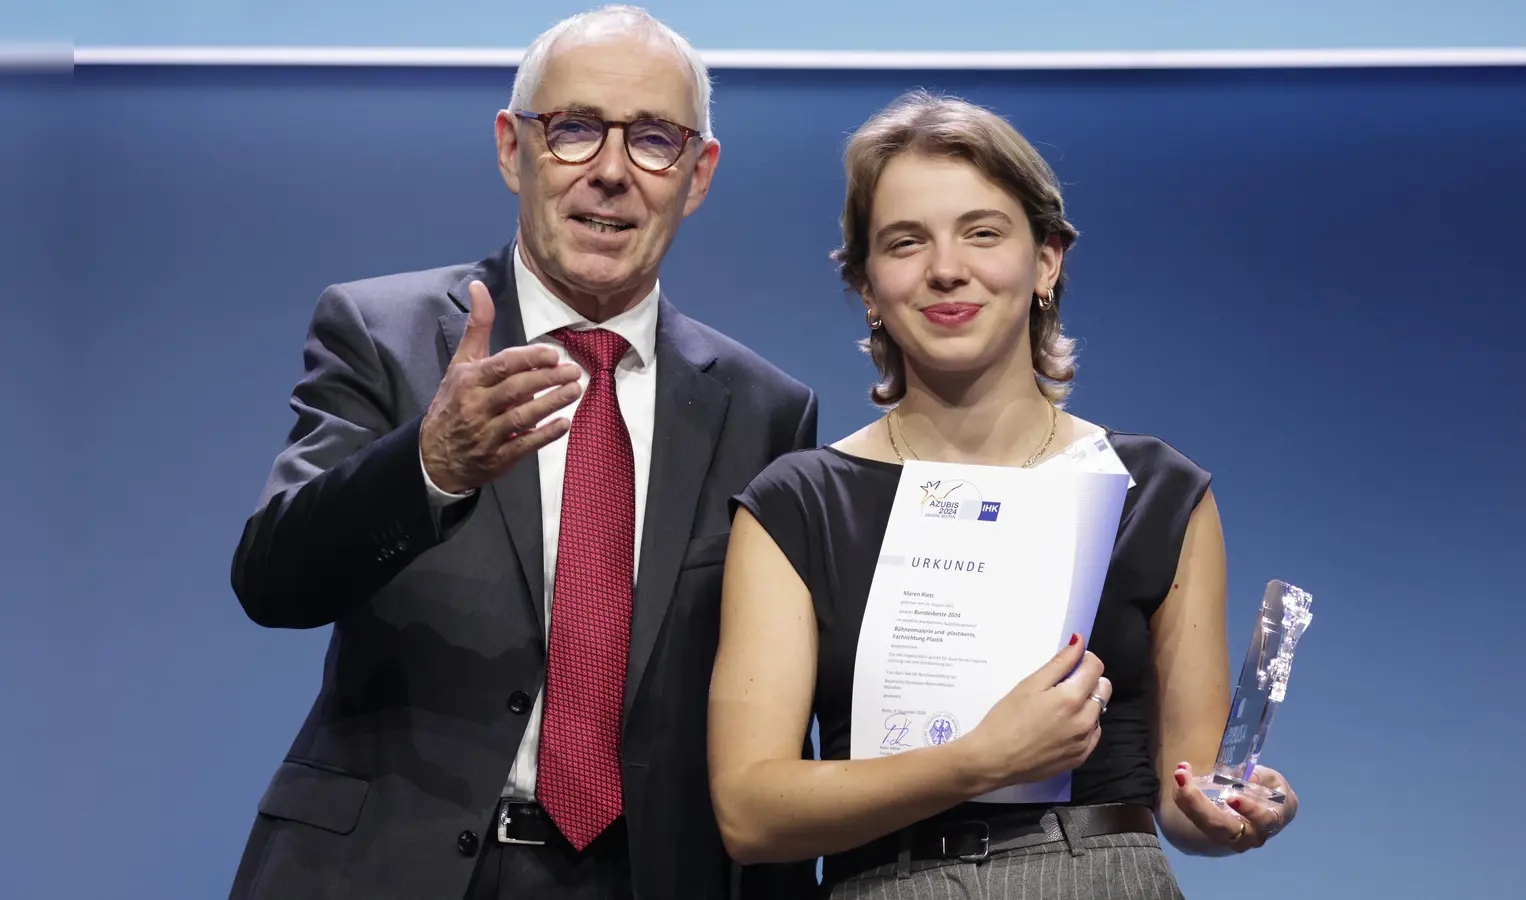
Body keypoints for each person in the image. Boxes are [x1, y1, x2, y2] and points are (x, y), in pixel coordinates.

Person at [225, 7, 819, 900]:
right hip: (388, 867)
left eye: (654, 140)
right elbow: (274, 581)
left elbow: (771, 718)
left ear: (698, 176)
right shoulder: (382, 334)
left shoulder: (767, 411)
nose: (612, 172)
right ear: (514, 149)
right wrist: (428, 466)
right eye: (576, 130)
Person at [706, 91, 1300, 899]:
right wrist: (980, 761)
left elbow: (1185, 800)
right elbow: (749, 812)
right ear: (868, 287)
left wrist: (1233, 814)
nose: (946, 268)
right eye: (905, 242)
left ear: (1046, 260)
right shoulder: (800, 505)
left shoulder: (1156, 494)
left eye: (982, 232)